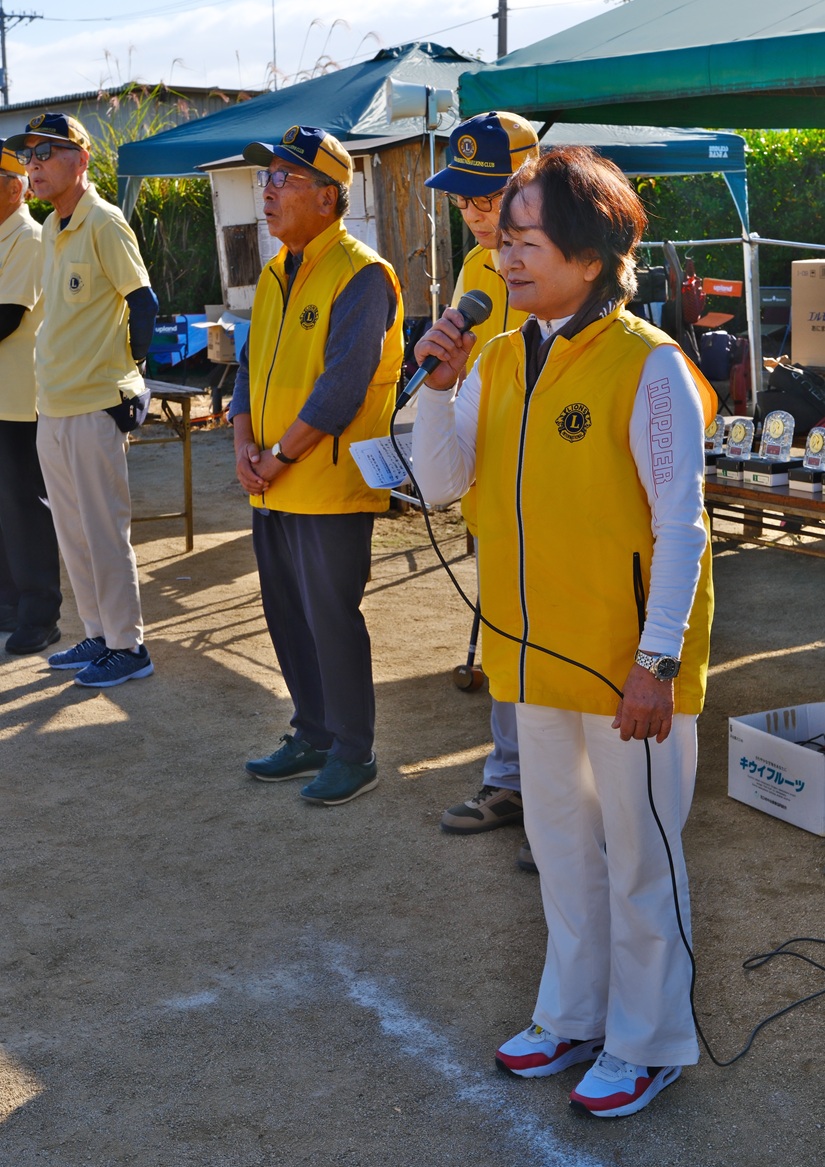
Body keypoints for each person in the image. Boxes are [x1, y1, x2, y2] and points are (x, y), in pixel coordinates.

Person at [411, 146, 715, 1119]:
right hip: (528, 657)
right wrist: (438, 385)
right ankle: (572, 1014)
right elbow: (440, 482)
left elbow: (682, 528)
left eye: (526, 242)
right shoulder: (499, 358)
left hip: (629, 671)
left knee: (639, 862)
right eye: (502, 242)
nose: (504, 259)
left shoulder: (649, 366)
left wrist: (655, 661)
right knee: (562, 851)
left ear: (590, 256)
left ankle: (648, 1041)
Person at [229, 125, 403, 807]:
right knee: (286, 613)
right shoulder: (275, 270)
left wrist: (276, 457)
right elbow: (249, 369)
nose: (268, 191)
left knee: (331, 616)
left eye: (284, 179)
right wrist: (243, 444)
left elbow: (342, 387)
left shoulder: (361, 274)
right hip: (271, 482)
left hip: (326, 482)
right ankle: (312, 731)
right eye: (266, 177)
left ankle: (354, 751)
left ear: (328, 198)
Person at [5, 113, 158, 687]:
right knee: (72, 533)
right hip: (52, 403)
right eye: (29, 155)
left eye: (47, 152)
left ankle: (129, 646)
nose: (35, 164)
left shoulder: (105, 221)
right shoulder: (50, 226)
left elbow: (143, 303)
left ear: (82, 159)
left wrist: (130, 375)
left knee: (104, 532)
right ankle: (98, 633)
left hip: (95, 403)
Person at [424, 112, 539, 868]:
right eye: (462, 198)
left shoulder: (573, 255)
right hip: (494, 479)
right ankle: (511, 782)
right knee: (503, 634)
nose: (471, 211)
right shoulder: (474, 267)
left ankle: (570, 806)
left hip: (557, 476)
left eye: (485, 195)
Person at [0, 140, 62, 656]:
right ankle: (8, 602)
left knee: (26, 507)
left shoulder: (27, 237)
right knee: (4, 508)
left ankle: (40, 614)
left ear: (14, 188)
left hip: (20, 400)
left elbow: (6, 316)